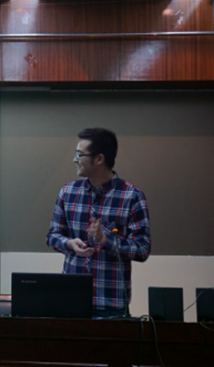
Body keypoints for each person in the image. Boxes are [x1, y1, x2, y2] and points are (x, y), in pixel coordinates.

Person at [47, 128, 151, 318]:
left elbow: (143, 249)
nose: (74, 160)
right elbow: (52, 236)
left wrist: (106, 240)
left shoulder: (131, 197)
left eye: (80, 154)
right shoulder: (68, 192)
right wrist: (69, 244)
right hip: (70, 300)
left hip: (111, 305)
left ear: (99, 159)